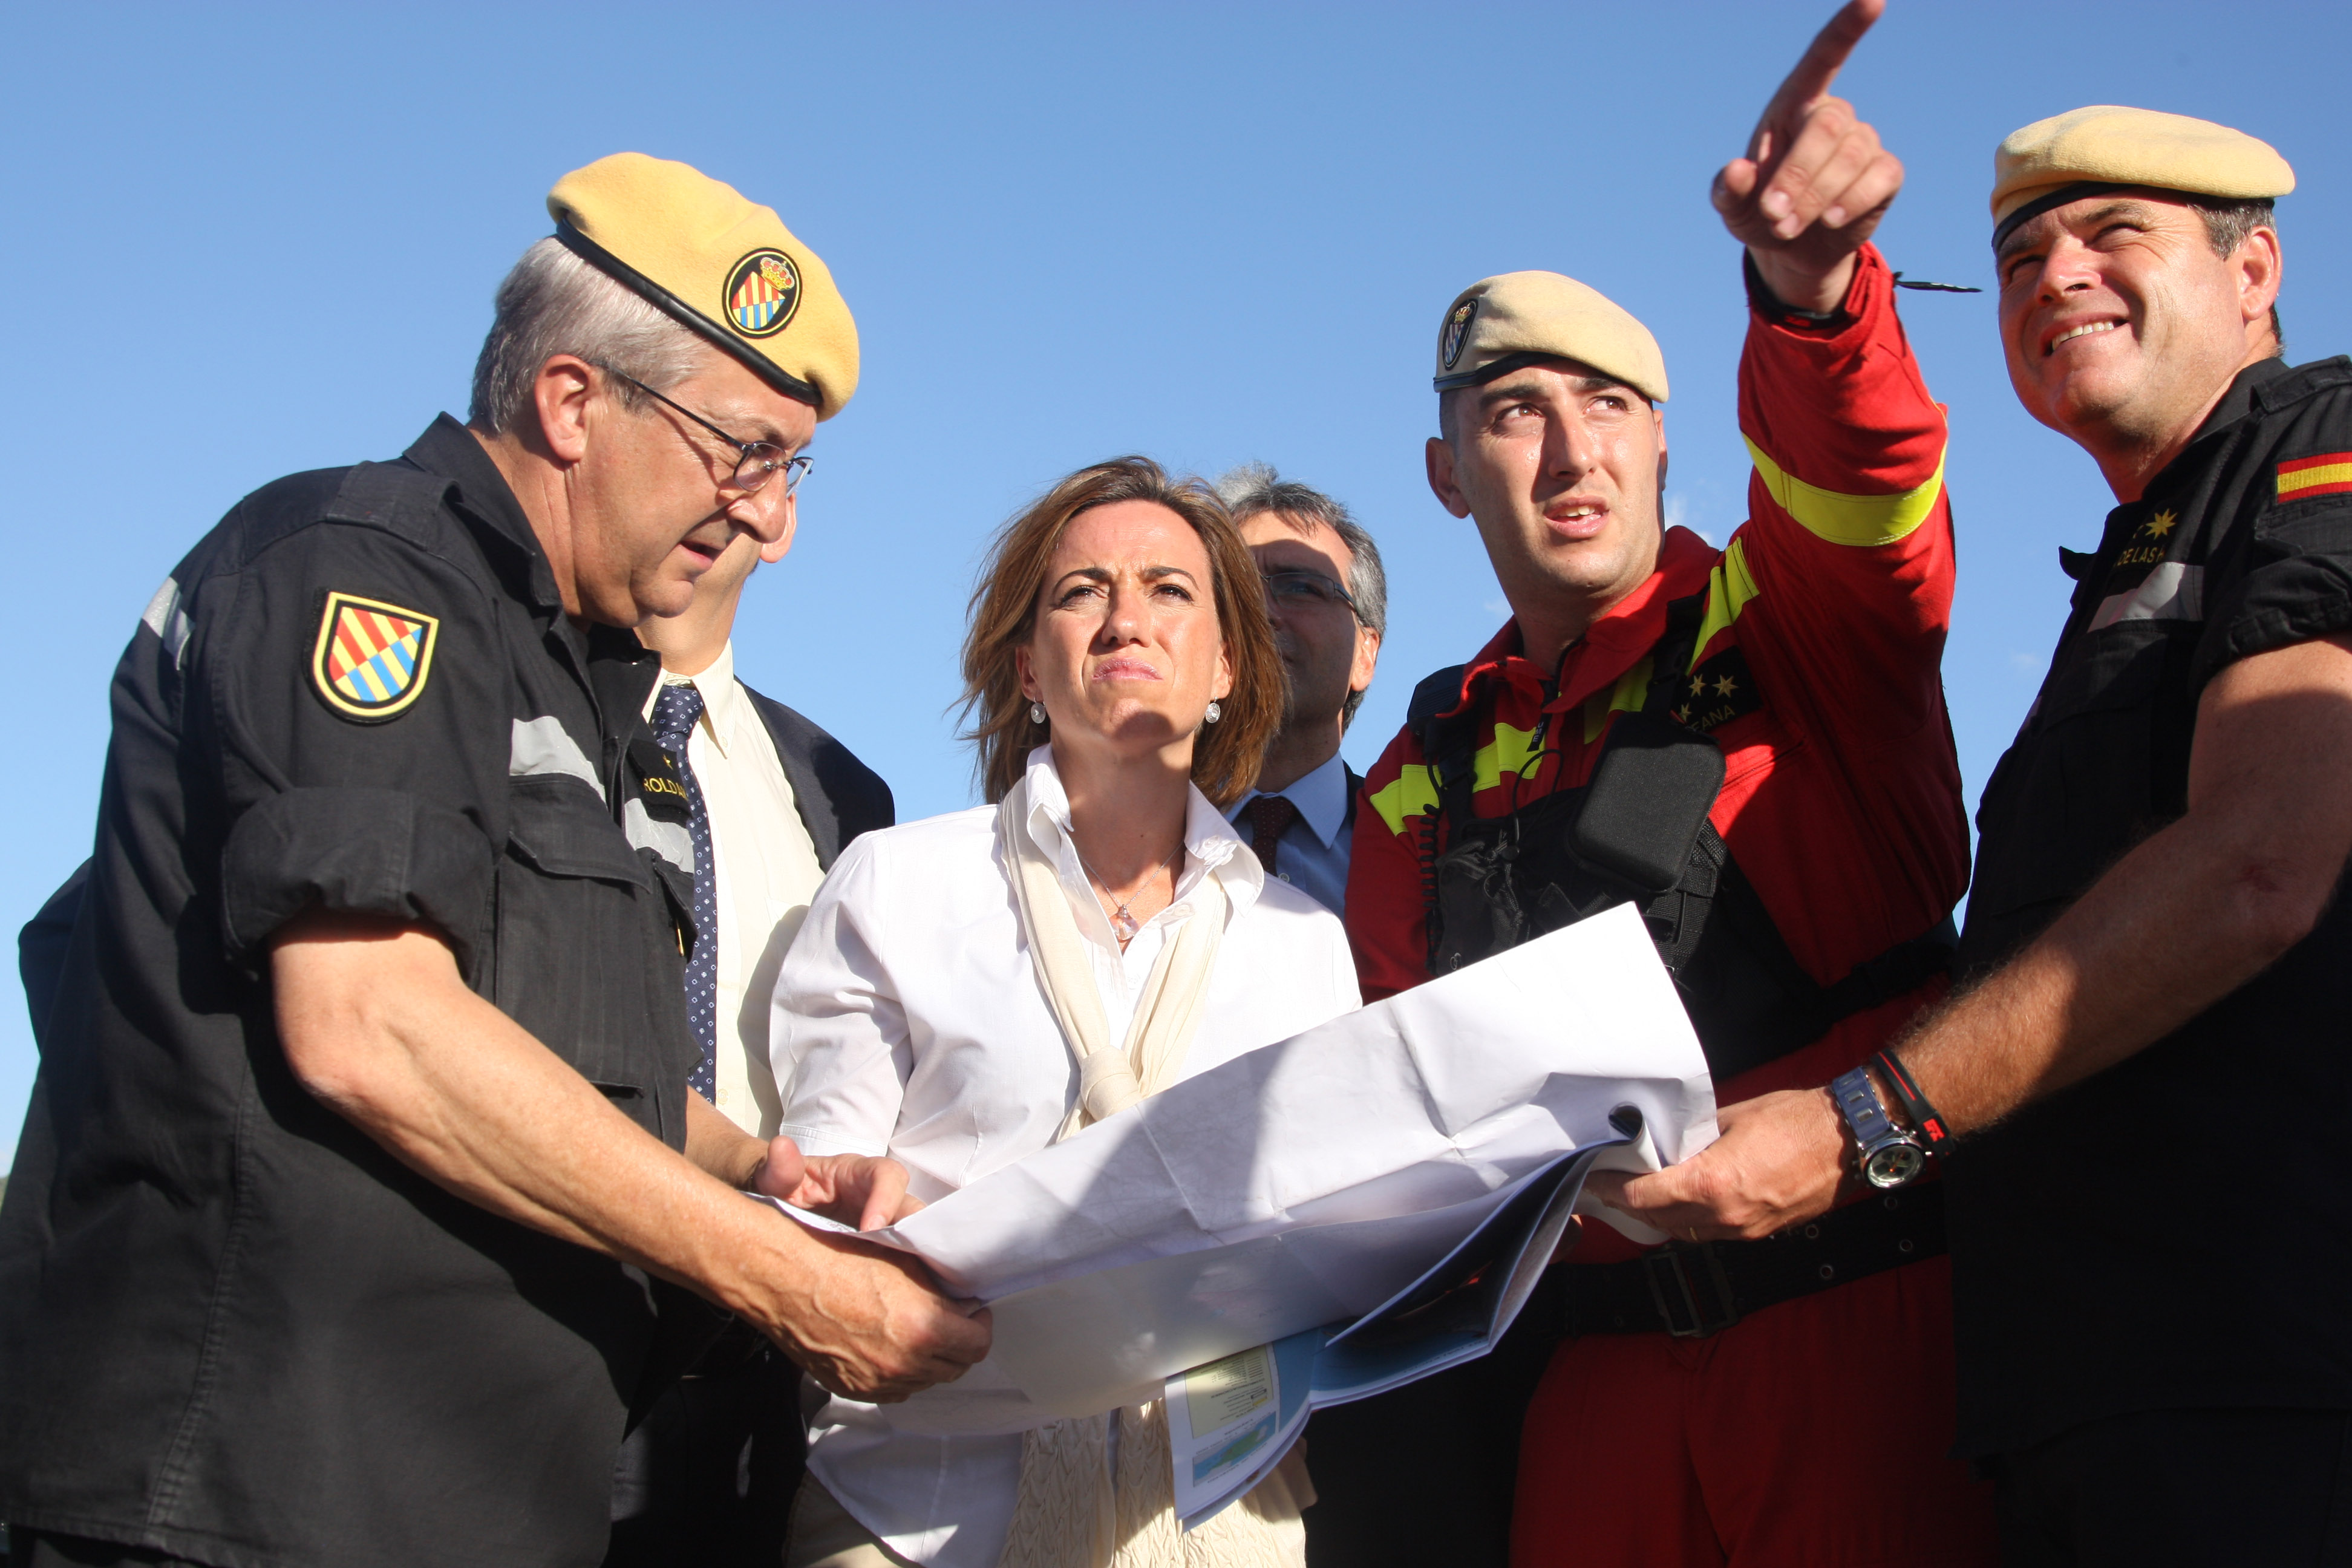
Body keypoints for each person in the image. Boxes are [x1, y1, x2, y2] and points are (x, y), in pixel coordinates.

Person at [0, 152, 987, 1568]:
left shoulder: (588, 686)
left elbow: (564, 1049)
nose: (774, 519)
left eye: (793, 467)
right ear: (573, 402)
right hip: (262, 1493)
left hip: (471, 1498)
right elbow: (371, 1022)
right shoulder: (364, 571)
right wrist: (783, 1279)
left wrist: (772, 1168)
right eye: (747, 454)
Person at [1606, 102, 2352, 1566]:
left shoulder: (2319, 448)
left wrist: (1863, 1121)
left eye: (2112, 234)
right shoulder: (2147, 548)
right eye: (2018, 258)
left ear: (2254, 271)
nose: (2054, 274)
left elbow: (2264, 859)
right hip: (2094, 1401)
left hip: (2269, 1392)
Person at [1333, 5, 1998, 1565]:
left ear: (1658, 444)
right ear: (1447, 475)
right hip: (1593, 1394)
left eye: (1610, 407)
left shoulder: (1792, 617)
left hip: (1870, 1337)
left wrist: (1815, 300)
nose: (1572, 452)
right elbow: (1391, 1080)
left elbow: (1869, 484)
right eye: (1515, 411)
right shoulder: (1421, 767)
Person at [769, 457, 1362, 1568]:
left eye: (1169, 590)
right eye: (1082, 591)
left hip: (1217, 1519)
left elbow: (1326, 1242)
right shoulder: (897, 885)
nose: (1126, 617)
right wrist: (838, 1203)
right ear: (1027, 667)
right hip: (913, 1518)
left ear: (1227, 665)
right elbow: (820, 1188)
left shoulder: (1302, 944)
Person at [607, 517, 898, 1562]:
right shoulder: (507, 713)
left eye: (762, 458)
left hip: (758, 1381)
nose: (724, 492)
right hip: (536, 1339)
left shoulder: (846, 793)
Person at [1211, 464, 1385, 916]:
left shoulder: (1428, 849)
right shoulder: (1129, 840)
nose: (1261, 613)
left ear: (1365, 653)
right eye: (1236, 591)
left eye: (1302, 588)